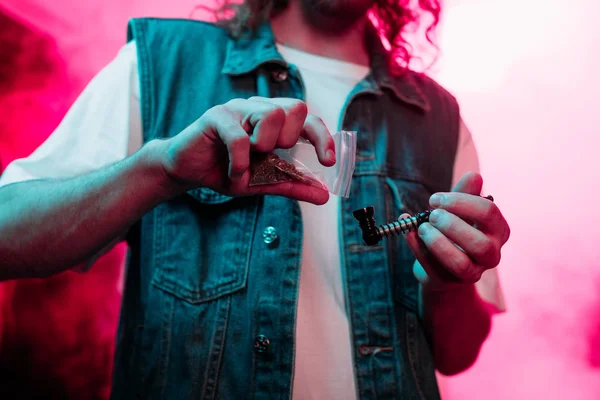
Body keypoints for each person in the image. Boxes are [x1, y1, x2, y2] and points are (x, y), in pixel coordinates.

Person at [0, 0, 510, 398]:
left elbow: (457, 354)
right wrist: (161, 169)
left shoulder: (440, 119)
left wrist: (447, 287)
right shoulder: (164, 61)